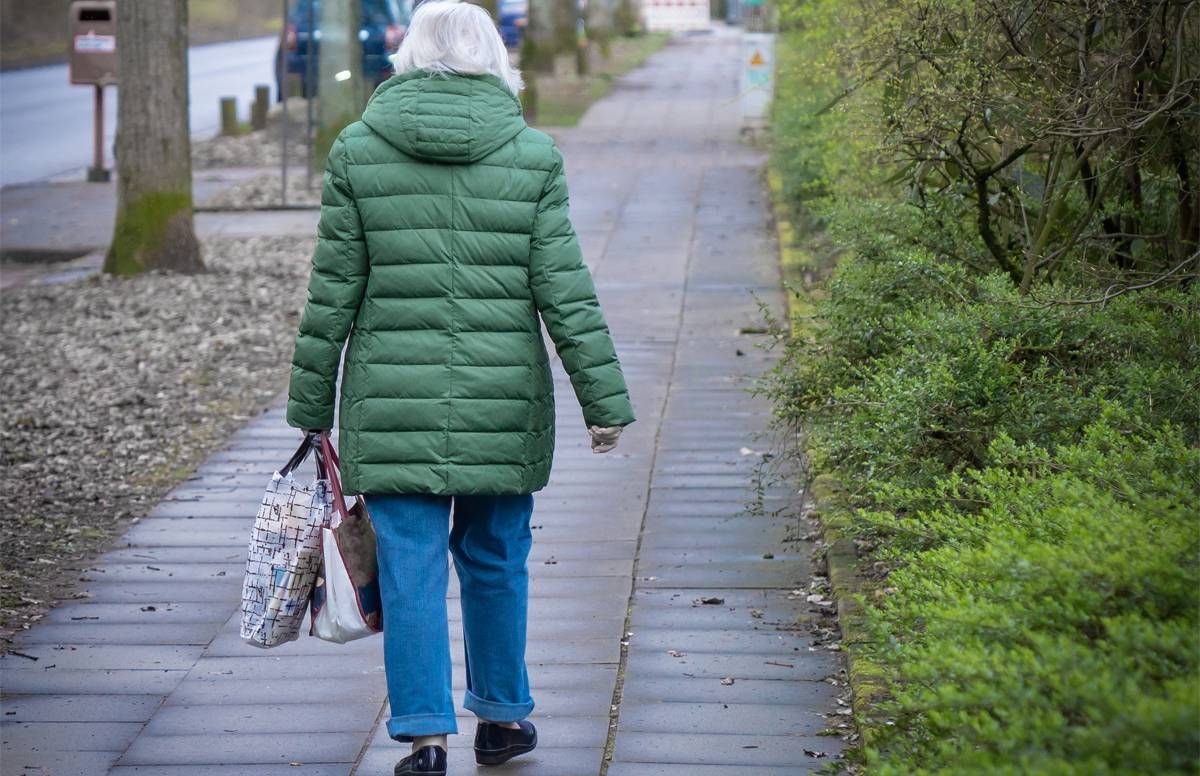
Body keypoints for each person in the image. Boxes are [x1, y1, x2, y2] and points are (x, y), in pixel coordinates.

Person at [284, 1, 636, 774]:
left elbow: (333, 289)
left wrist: (311, 406)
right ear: (492, 54)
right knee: (498, 555)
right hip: (502, 401)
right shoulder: (532, 153)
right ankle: (503, 720)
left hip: (391, 401)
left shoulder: (358, 150)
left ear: (408, 52)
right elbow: (564, 289)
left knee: (408, 569)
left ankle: (425, 736)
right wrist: (603, 405)